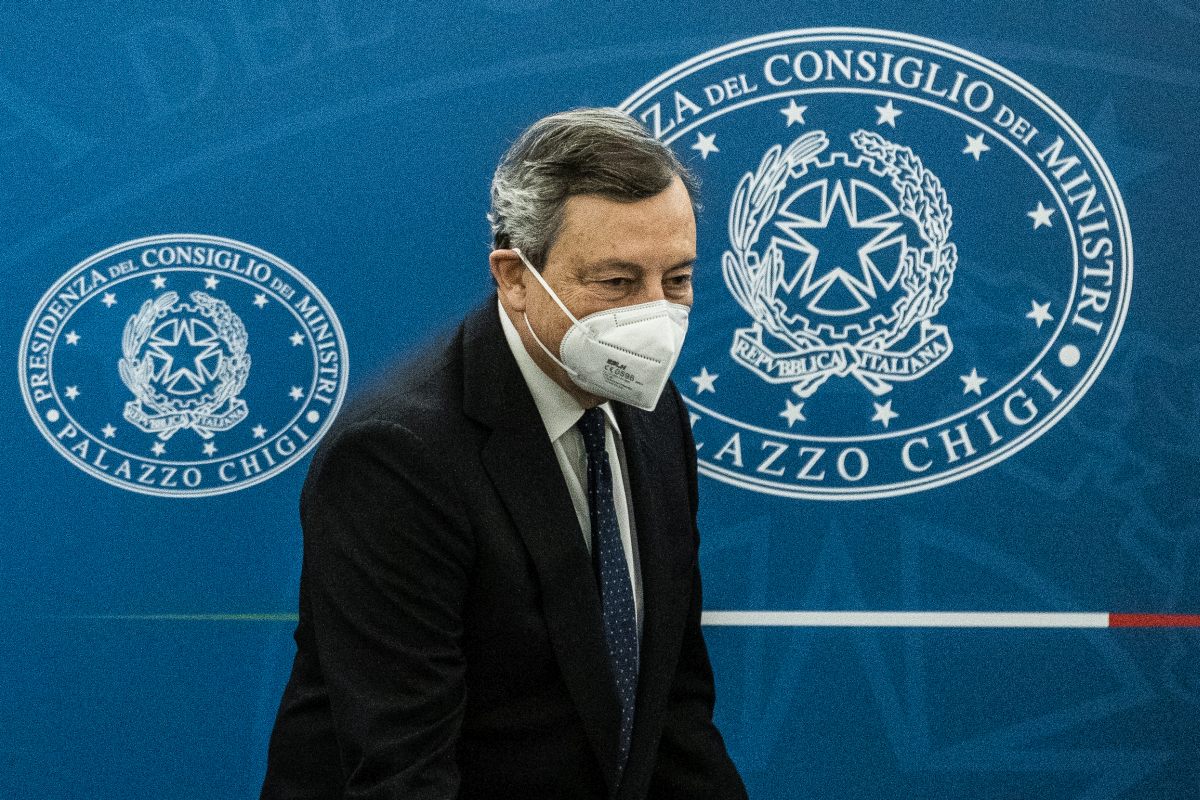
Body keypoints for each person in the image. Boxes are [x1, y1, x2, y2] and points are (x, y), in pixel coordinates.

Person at [261, 108, 748, 800]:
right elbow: (405, 771)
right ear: (515, 277)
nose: (654, 317)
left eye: (676, 280)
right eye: (616, 283)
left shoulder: (652, 411)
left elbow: (672, 713)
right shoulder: (396, 457)